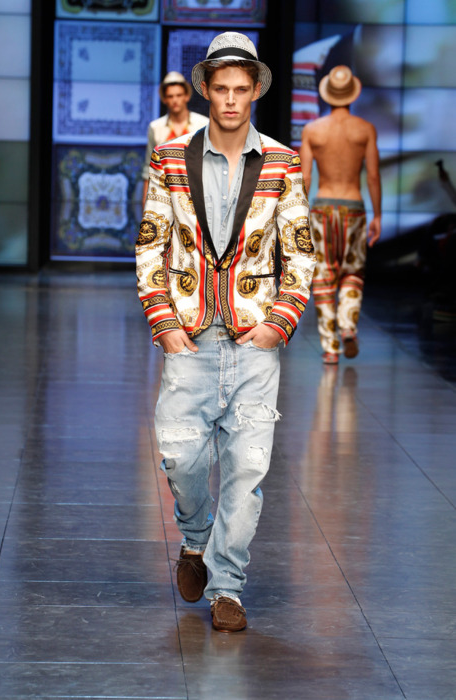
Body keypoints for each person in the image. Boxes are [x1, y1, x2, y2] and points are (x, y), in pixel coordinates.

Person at [136, 32, 316, 632]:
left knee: (247, 470)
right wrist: (164, 323)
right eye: (222, 89)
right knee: (180, 457)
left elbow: (301, 250)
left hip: (253, 340)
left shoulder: (283, 163)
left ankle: (228, 589)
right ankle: (195, 538)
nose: (232, 100)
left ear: (256, 90)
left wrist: (278, 324)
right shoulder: (169, 159)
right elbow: (150, 244)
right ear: (206, 91)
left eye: (242, 89)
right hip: (188, 338)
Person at [300, 65, 381, 364]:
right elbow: (373, 176)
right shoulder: (365, 129)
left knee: (323, 275)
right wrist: (378, 215)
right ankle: (348, 326)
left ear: (327, 94)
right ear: (352, 94)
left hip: (322, 208)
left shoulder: (312, 130)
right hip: (353, 206)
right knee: (353, 271)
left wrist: (299, 215)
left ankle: (330, 348)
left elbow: (305, 177)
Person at [142, 72, 209, 208]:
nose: (175, 100)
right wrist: (146, 204)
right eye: (170, 96)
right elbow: (149, 168)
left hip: (196, 195)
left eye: (179, 95)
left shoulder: (203, 124)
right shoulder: (156, 127)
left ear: (186, 96)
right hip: (164, 195)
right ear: (164, 99)